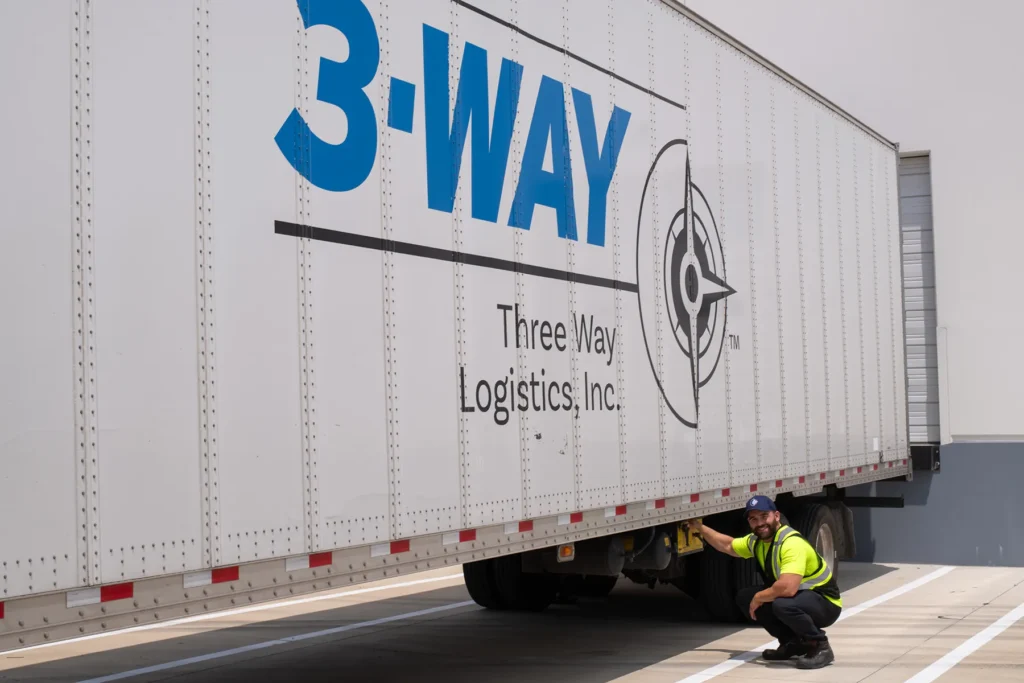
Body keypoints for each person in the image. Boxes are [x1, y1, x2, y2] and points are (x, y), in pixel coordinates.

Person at [692, 495, 841, 669]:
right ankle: (793, 643)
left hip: (825, 603)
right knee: (745, 596)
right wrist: (699, 528)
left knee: (782, 604)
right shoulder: (758, 542)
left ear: (776, 516)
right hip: (802, 598)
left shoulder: (791, 543)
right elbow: (728, 545)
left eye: (764, 516)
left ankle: (820, 646)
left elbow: (787, 588)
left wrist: (759, 597)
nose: (760, 523)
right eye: (753, 519)